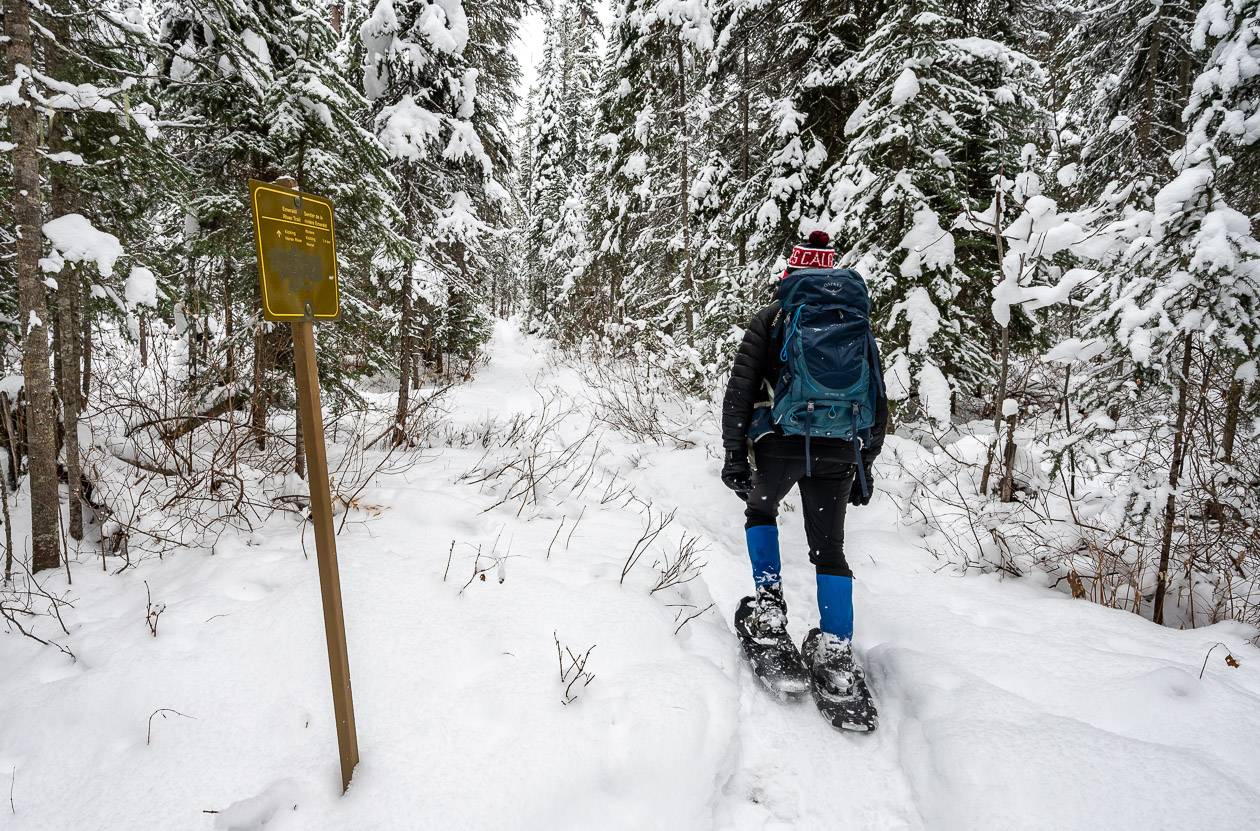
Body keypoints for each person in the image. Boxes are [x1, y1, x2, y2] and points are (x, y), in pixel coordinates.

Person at [719, 229, 888, 717]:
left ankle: (769, 613)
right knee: (829, 548)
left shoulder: (773, 318)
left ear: (791, 274)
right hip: (839, 447)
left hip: (779, 443)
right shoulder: (855, 322)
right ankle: (835, 652)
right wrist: (865, 462)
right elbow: (878, 398)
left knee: (760, 509)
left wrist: (735, 454)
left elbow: (740, 391)